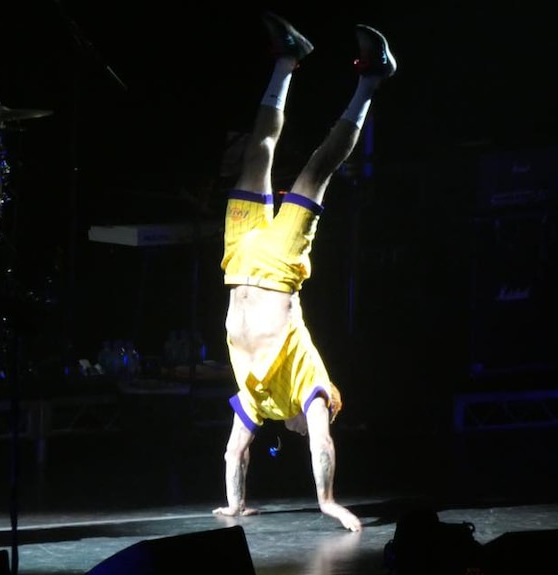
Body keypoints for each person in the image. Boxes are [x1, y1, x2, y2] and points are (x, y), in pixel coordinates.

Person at [212, 10, 397, 532]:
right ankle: (371, 80)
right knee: (317, 167)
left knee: (256, 152)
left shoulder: (257, 399)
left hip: (239, 259)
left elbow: (234, 454)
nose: (312, 423)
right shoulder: (312, 388)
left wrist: (235, 504)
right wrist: (327, 502)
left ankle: (288, 59)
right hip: (276, 267)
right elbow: (322, 440)